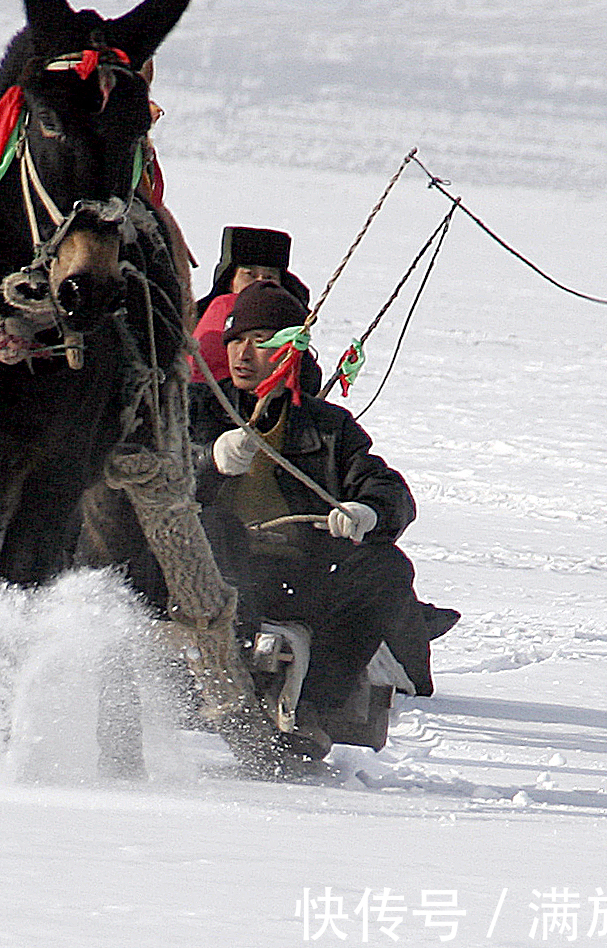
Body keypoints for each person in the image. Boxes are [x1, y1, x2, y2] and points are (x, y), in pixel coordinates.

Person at [192, 280, 458, 758]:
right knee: (216, 528)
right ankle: (233, 684)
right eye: (234, 341)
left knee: (386, 568)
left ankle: (314, 708)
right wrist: (205, 460)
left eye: (259, 341)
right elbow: (148, 472)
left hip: (302, 578)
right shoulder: (197, 412)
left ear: (291, 349)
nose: (242, 354)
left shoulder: (329, 427)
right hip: (217, 580)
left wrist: (367, 513)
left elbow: (389, 490)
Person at [191, 226, 314, 385]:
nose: (259, 282)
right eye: (250, 275)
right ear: (231, 281)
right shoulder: (221, 309)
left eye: (269, 277)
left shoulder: (282, 318)